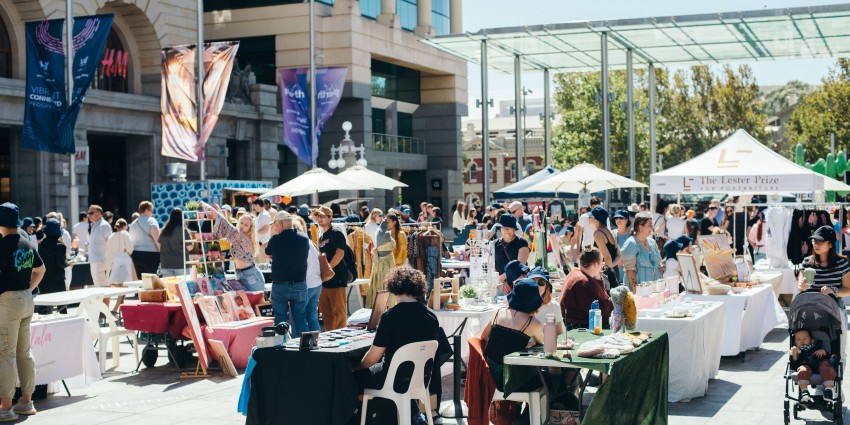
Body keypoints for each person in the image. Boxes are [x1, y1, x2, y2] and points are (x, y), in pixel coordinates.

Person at [355, 268, 439, 425]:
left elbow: (373, 358)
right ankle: (414, 417)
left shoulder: (390, 317)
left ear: (394, 287)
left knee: (350, 377)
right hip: (419, 380)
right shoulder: (431, 316)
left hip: (392, 380)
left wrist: (357, 367)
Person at [0, 202, 45, 422]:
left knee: (5, 353)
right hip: (27, 299)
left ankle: (6, 406)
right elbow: (41, 269)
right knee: (24, 352)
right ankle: (26, 401)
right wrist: (29, 288)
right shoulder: (27, 243)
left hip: (8, 301)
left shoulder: (2, 245)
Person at [481, 279, 544, 393]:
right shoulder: (533, 323)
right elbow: (543, 343)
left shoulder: (498, 311)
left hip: (489, 376)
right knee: (547, 379)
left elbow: (484, 337)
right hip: (511, 381)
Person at [201, 202, 265, 292]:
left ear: (250, 228)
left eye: (246, 225)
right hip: (243, 273)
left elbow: (224, 222)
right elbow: (226, 224)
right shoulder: (239, 235)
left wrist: (208, 207)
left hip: (250, 275)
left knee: (257, 303)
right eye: (241, 222)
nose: (242, 226)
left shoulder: (241, 236)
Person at [265, 211, 309, 337]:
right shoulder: (304, 238)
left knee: (280, 320)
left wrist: (273, 235)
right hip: (299, 284)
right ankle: (305, 350)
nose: (274, 227)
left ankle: (281, 349)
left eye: (275, 225)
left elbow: (268, 252)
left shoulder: (276, 239)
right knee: (300, 319)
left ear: (280, 223)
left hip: (280, 285)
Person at [559, 246, 614, 330]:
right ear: (595, 264)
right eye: (602, 262)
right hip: (581, 326)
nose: (602, 266)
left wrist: (598, 279)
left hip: (576, 323)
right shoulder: (583, 282)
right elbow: (604, 310)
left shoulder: (575, 272)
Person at [797, 225, 850, 310]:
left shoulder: (842, 263)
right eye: (814, 241)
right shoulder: (807, 262)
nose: (816, 244)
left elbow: (847, 289)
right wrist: (802, 286)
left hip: (835, 309)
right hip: (811, 307)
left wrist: (833, 291)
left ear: (830, 245)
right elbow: (800, 286)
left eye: (820, 241)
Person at [316, 206, 349, 331]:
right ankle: (329, 339)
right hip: (325, 281)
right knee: (327, 315)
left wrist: (328, 269)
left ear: (330, 217)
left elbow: (340, 254)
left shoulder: (336, 233)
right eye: (318, 216)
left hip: (337, 279)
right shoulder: (321, 237)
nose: (319, 218)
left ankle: (341, 339)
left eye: (322, 216)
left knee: (339, 314)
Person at [791, 328, 839, 402]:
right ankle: (804, 391)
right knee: (802, 370)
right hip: (806, 365)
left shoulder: (817, 345)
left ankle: (828, 390)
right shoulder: (798, 351)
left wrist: (823, 351)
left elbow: (828, 355)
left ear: (811, 340)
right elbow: (795, 364)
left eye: (805, 338)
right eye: (798, 339)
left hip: (820, 363)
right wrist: (794, 353)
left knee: (827, 367)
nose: (802, 341)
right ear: (795, 342)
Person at [292, 217, 323, 333]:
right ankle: (316, 343)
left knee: (299, 317)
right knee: (312, 316)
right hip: (317, 283)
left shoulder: (297, 244)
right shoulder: (310, 242)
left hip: (306, 284)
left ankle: (301, 346)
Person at [621, 214, 663, 291]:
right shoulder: (631, 244)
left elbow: (658, 265)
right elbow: (630, 270)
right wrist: (637, 292)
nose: (652, 227)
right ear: (640, 227)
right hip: (640, 290)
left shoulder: (652, 242)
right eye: (650, 225)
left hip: (655, 289)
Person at [105, 219, 134, 313]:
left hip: (113, 264)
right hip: (123, 263)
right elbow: (130, 249)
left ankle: (116, 309)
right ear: (125, 226)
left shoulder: (111, 236)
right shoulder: (125, 234)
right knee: (123, 288)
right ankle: (115, 309)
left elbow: (107, 252)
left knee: (116, 287)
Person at [589, 207, 622, 289]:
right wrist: (611, 268)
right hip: (614, 271)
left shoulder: (598, 234)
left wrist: (607, 272)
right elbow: (619, 256)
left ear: (596, 219)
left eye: (591, 217)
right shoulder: (610, 232)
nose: (589, 218)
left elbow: (607, 257)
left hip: (606, 276)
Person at [36, 219, 69, 301]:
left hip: (44, 278)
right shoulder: (61, 246)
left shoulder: (41, 244)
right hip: (57, 279)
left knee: (45, 306)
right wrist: (69, 263)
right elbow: (61, 263)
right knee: (62, 305)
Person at [87, 205, 113, 305]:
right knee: (98, 288)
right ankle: (101, 312)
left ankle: (104, 313)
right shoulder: (94, 225)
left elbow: (110, 243)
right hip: (95, 261)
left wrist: (108, 262)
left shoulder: (104, 225)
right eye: (88, 213)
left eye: (91, 213)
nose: (89, 215)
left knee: (104, 288)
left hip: (102, 261)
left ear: (99, 213)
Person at [493, 214, 530, 283]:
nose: (506, 229)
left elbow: (519, 266)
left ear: (514, 228)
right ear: (500, 228)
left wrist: (503, 279)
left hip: (517, 282)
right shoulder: (495, 243)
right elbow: (492, 265)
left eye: (509, 227)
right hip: (500, 283)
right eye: (504, 227)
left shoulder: (522, 242)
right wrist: (502, 282)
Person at [128, 201, 160, 278]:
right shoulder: (151, 221)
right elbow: (157, 238)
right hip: (151, 254)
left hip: (136, 254)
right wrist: (161, 252)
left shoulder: (133, 224)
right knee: (151, 279)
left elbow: (131, 241)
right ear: (146, 210)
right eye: (151, 210)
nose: (152, 213)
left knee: (140, 280)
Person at [529, 267, 564, 336]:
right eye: (532, 282)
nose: (536, 286)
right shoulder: (520, 304)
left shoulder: (554, 306)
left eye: (541, 282)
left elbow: (559, 333)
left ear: (546, 287)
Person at [158, 208, 193, 277]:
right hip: (181, 264)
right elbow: (190, 247)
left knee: (169, 287)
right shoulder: (183, 230)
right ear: (181, 217)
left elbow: (159, 246)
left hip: (166, 264)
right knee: (183, 287)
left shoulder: (164, 230)